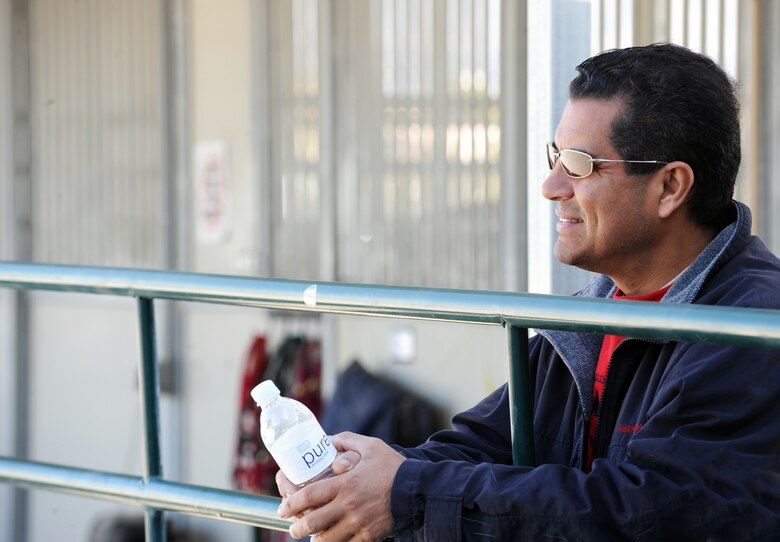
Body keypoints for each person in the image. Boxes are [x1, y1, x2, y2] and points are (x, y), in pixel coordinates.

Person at [276, 43, 780, 541]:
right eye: (555, 156)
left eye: (579, 165)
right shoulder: (588, 320)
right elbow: (484, 444)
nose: (551, 186)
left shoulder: (752, 325)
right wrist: (351, 477)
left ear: (669, 187)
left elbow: (650, 510)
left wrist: (408, 493)